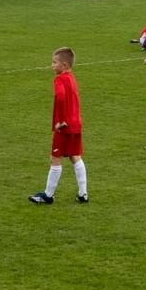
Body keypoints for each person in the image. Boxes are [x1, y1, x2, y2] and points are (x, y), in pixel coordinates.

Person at [29, 47, 86, 204]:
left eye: (55, 62)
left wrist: (60, 120)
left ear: (65, 65)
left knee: (55, 158)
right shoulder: (72, 78)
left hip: (64, 126)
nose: (51, 65)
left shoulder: (59, 79)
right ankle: (83, 193)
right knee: (75, 156)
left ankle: (48, 195)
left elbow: (60, 97)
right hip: (76, 124)